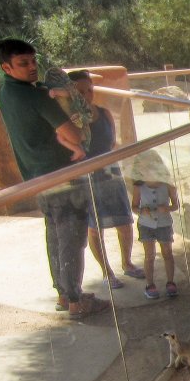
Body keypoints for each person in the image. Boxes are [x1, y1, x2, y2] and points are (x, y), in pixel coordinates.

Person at [0, 38, 109, 320]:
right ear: (6, 66)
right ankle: (75, 300)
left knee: (55, 234)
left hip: (37, 175)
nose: (32, 67)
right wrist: (78, 131)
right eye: (24, 64)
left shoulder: (7, 93)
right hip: (62, 172)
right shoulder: (34, 97)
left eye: (33, 61)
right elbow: (74, 134)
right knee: (72, 237)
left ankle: (64, 292)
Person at [67, 70, 145, 289]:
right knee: (95, 227)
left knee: (124, 221)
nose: (86, 95)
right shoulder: (70, 122)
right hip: (86, 177)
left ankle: (127, 263)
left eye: (89, 90)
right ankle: (106, 271)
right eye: (80, 91)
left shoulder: (104, 113)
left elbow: (112, 144)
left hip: (110, 173)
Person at [130, 151, 180, 300]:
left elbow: (176, 204)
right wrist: (140, 211)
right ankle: (150, 284)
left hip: (164, 223)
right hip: (146, 224)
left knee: (167, 253)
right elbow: (133, 207)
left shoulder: (168, 185)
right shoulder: (139, 187)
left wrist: (168, 208)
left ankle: (171, 282)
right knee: (149, 255)